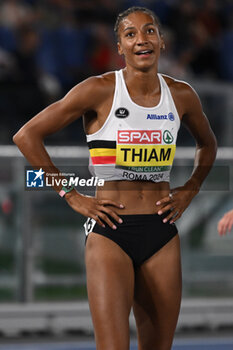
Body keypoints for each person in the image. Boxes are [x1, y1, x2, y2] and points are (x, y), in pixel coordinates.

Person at [13, 6, 217, 350]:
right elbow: (26, 136)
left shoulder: (181, 95)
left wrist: (190, 189)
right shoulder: (99, 90)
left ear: (162, 42)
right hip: (111, 232)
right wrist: (71, 194)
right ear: (119, 47)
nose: (142, 39)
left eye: (149, 31)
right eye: (130, 34)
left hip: (162, 232)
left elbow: (208, 145)